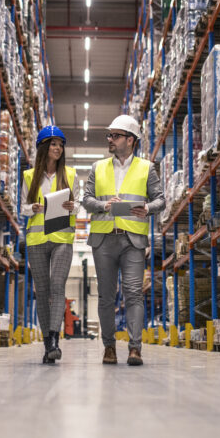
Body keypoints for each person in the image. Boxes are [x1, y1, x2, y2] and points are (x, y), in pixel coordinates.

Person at [82, 115, 165, 366]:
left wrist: (148, 209)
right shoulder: (98, 168)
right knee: (107, 296)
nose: (110, 139)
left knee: (133, 294)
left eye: (115, 135)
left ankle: (135, 348)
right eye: (109, 135)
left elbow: (161, 200)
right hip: (103, 239)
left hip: (133, 241)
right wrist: (104, 205)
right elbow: (85, 200)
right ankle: (109, 347)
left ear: (130, 140)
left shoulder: (146, 168)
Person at [23, 125, 78, 364]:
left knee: (57, 286)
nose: (58, 148)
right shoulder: (29, 176)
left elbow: (77, 205)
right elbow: (23, 208)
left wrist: (72, 207)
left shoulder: (72, 174)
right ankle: (47, 345)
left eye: (61, 144)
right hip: (36, 240)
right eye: (53, 144)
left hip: (62, 238)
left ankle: (55, 340)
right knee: (42, 292)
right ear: (43, 147)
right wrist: (32, 208)